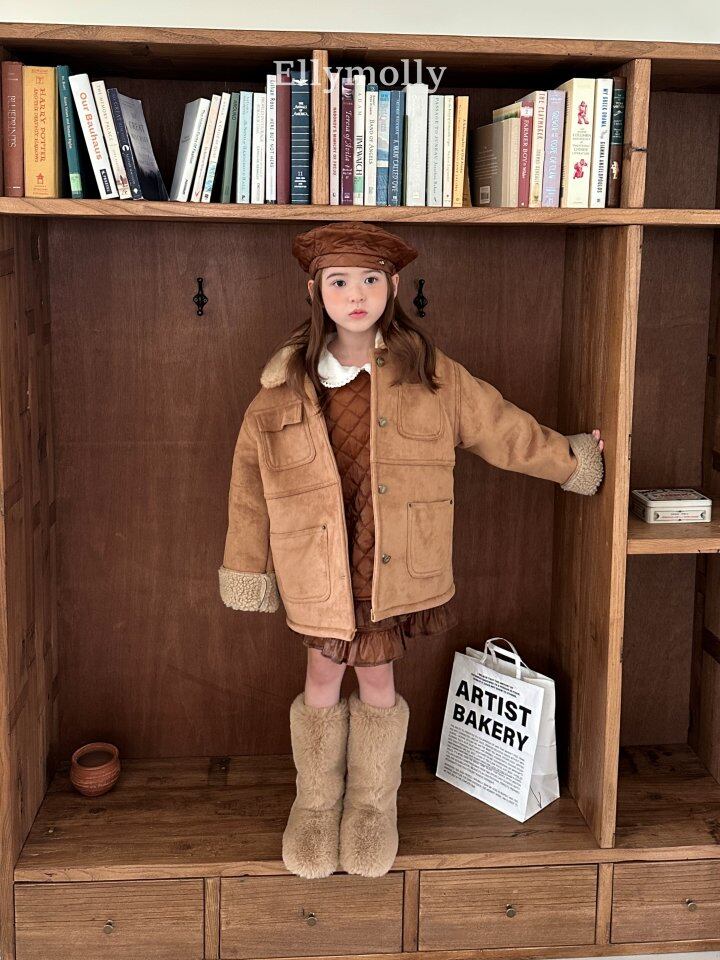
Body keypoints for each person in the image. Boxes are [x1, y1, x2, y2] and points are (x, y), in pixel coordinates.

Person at [218, 221, 605, 881]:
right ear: (315, 292)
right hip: (319, 570)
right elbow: (248, 489)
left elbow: (499, 426)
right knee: (320, 679)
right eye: (340, 282)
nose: (356, 295)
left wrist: (571, 459)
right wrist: (248, 570)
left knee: (377, 680)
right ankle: (315, 805)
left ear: (393, 286)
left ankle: (373, 807)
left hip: (390, 566)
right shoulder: (281, 388)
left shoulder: (431, 375)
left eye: (370, 280)